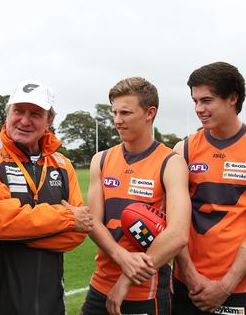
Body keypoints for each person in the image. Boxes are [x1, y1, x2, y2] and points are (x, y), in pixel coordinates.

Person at [0, 80, 92, 314]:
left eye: (35, 114)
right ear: (8, 113)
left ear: (49, 121)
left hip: (51, 302)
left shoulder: (63, 165)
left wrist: (13, 234)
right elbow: (1, 223)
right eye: (18, 111)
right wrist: (67, 218)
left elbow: (76, 236)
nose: (24, 120)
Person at [172, 62, 246, 314]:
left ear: (233, 98)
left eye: (207, 100)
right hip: (185, 282)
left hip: (238, 287)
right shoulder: (183, 150)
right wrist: (190, 275)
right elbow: (173, 222)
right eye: (195, 101)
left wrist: (225, 285)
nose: (199, 109)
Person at [81, 77, 191, 315]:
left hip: (146, 292)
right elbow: (92, 222)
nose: (117, 121)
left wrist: (126, 280)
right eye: (115, 113)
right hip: (99, 286)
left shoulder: (171, 163)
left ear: (150, 113)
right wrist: (121, 257)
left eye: (126, 113)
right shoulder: (100, 160)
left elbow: (178, 234)